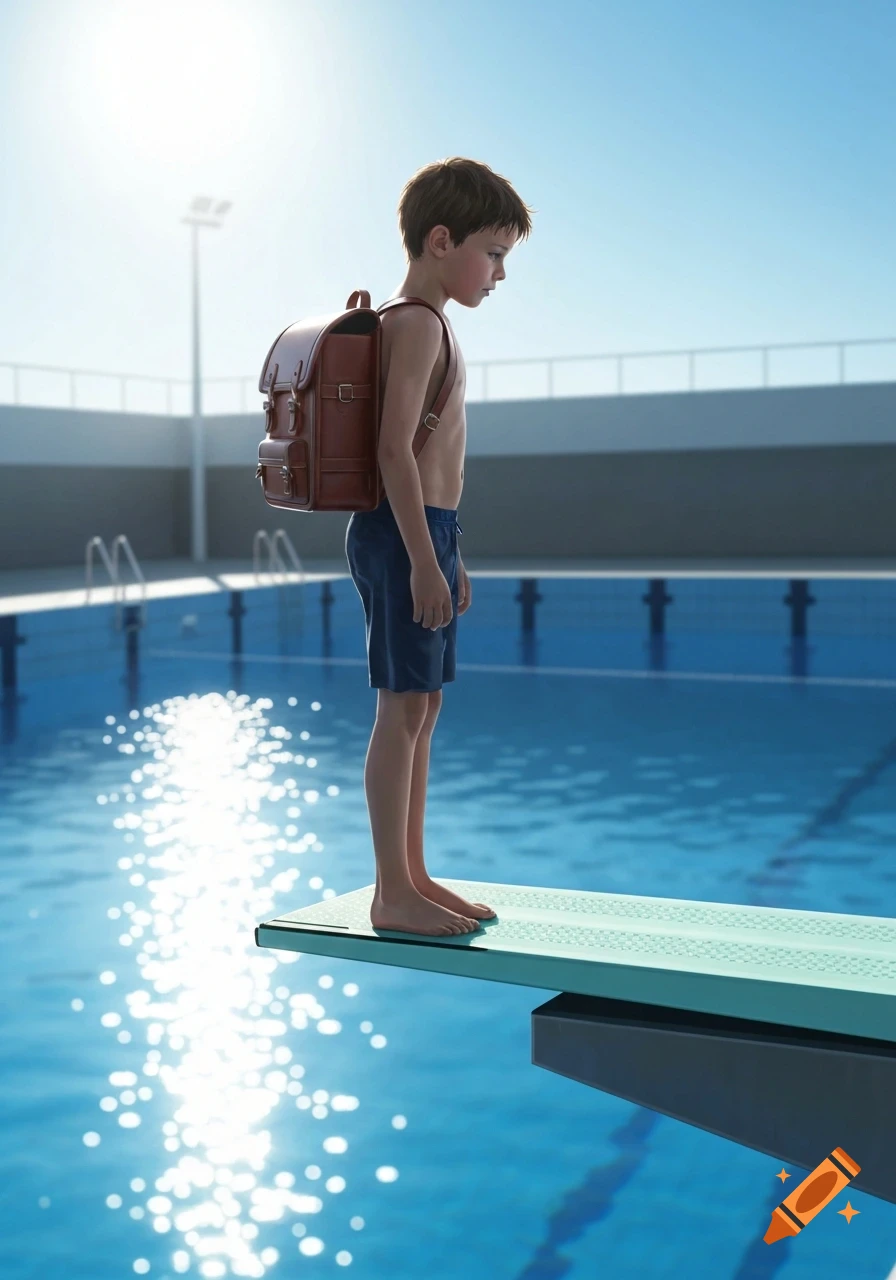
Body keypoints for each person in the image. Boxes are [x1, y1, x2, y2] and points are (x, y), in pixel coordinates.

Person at [345, 157, 534, 936]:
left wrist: (449, 550)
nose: (498, 274)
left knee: (424, 706)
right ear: (440, 239)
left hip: (427, 528)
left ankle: (415, 874)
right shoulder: (414, 323)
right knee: (400, 710)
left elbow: (429, 460)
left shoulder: (430, 322)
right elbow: (394, 453)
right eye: (492, 254)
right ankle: (392, 893)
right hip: (402, 531)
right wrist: (424, 558)